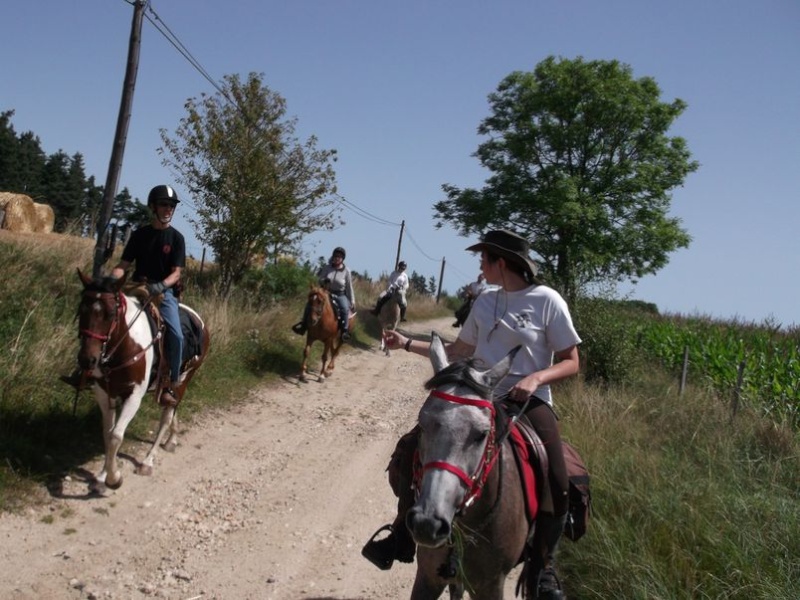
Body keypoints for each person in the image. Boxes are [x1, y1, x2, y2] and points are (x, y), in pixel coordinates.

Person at [361, 229, 581, 600]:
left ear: (501, 262)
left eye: (484, 258)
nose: (479, 264)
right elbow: (460, 350)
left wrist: (536, 377)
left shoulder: (548, 301)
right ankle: (401, 532)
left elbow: (572, 361)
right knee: (412, 446)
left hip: (529, 401)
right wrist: (407, 343)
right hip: (480, 396)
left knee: (558, 476)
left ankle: (543, 567)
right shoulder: (485, 302)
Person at [61, 184, 187, 408]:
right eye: (164, 205)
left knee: (176, 335)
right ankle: (86, 370)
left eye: (171, 206)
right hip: (136, 285)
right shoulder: (140, 235)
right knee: (100, 317)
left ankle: (169, 383)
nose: (168, 209)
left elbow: (176, 273)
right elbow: (123, 265)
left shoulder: (176, 238)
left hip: (163, 292)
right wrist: (109, 281)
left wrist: (160, 286)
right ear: (153, 207)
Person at [291, 246, 356, 341]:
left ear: (342, 259)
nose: (337, 258)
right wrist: (324, 280)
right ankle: (303, 325)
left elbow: (349, 287)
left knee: (344, 308)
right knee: (310, 304)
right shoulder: (326, 268)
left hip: (340, 294)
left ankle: (344, 331)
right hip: (326, 292)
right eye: (335, 256)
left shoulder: (347, 271)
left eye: (339, 257)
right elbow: (319, 279)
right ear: (333, 257)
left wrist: (352, 301)